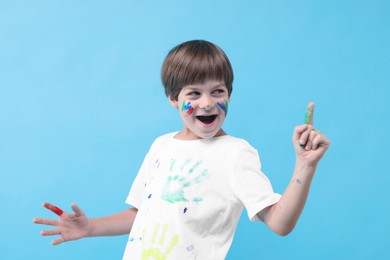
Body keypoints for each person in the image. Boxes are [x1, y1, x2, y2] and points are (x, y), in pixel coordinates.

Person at [33, 40, 330, 259]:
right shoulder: (161, 145)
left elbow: (280, 223)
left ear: (229, 95)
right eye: (194, 93)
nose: (207, 103)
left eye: (218, 91)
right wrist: (90, 227)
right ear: (173, 99)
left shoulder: (235, 153)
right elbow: (142, 213)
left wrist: (305, 165)